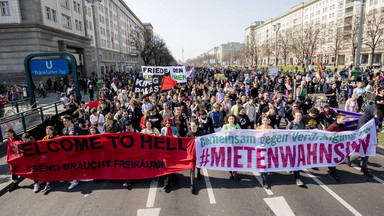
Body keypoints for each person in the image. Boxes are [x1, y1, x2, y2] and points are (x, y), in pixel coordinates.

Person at [61, 115, 83, 190]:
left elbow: (83, 138)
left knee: (76, 164)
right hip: (68, 151)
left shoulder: (77, 128)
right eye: (63, 121)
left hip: (76, 150)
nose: (64, 123)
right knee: (71, 164)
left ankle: (75, 179)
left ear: (70, 121)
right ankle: (74, 179)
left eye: (65, 121)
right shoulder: (64, 130)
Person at [187, 120, 208, 194]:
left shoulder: (200, 133)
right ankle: (192, 184)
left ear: (196, 126)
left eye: (194, 126)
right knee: (192, 168)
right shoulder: (188, 134)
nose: (192, 127)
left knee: (199, 165)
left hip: (199, 153)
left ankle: (199, 172)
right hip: (192, 153)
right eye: (191, 126)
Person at [326, 113, 348, 182]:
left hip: (338, 147)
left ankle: (332, 170)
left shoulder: (344, 126)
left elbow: (346, 133)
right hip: (331, 147)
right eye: (343, 119)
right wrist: (331, 134)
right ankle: (332, 173)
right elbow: (325, 135)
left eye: (345, 119)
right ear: (338, 119)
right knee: (332, 160)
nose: (345, 120)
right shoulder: (332, 126)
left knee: (335, 160)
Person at [357, 105, 377, 178]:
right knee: (361, 153)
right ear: (370, 111)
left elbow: (374, 130)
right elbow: (362, 129)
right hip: (363, 139)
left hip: (369, 139)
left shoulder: (372, 119)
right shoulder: (363, 119)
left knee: (366, 153)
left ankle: (364, 168)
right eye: (375, 110)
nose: (376, 111)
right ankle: (350, 158)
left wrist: (375, 139)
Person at [41, 126, 60, 192]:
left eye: (49, 131)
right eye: (46, 131)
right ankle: (48, 184)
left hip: (57, 156)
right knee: (47, 169)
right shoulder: (45, 138)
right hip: (49, 157)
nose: (47, 132)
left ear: (52, 131)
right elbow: (41, 145)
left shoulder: (57, 137)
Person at [222, 114, 241, 180]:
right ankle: (230, 172)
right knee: (229, 159)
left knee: (235, 159)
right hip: (228, 145)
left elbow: (241, 133)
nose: (231, 120)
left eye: (232, 119)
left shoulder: (237, 126)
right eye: (230, 119)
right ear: (227, 120)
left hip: (235, 145)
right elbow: (222, 135)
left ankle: (235, 172)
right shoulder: (225, 126)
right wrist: (227, 134)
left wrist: (236, 134)